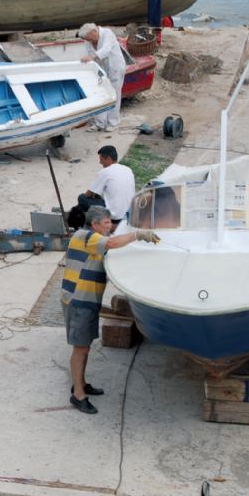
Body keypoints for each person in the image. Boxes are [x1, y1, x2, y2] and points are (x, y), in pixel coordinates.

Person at [60, 206, 159, 415]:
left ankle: (82, 383)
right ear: (94, 224)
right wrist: (138, 234)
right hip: (78, 300)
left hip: (86, 300)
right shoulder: (86, 236)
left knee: (84, 345)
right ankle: (78, 394)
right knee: (80, 348)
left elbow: (113, 246)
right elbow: (113, 243)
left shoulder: (93, 239)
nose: (110, 226)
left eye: (109, 222)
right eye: (106, 223)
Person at [79, 23, 127, 131]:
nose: (89, 41)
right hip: (101, 69)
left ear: (94, 32)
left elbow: (106, 49)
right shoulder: (88, 40)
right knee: (100, 94)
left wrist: (91, 57)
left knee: (114, 94)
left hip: (115, 67)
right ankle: (100, 123)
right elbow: (88, 53)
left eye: (90, 38)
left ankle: (113, 123)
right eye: (87, 39)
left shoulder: (107, 33)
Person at [78, 145, 136, 227]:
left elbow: (88, 194)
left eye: (101, 159)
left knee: (82, 198)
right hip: (130, 214)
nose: (100, 162)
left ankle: (89, 224)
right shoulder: (128, 169)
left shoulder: (105, 172)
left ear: (108, 159)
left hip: (115, 217)